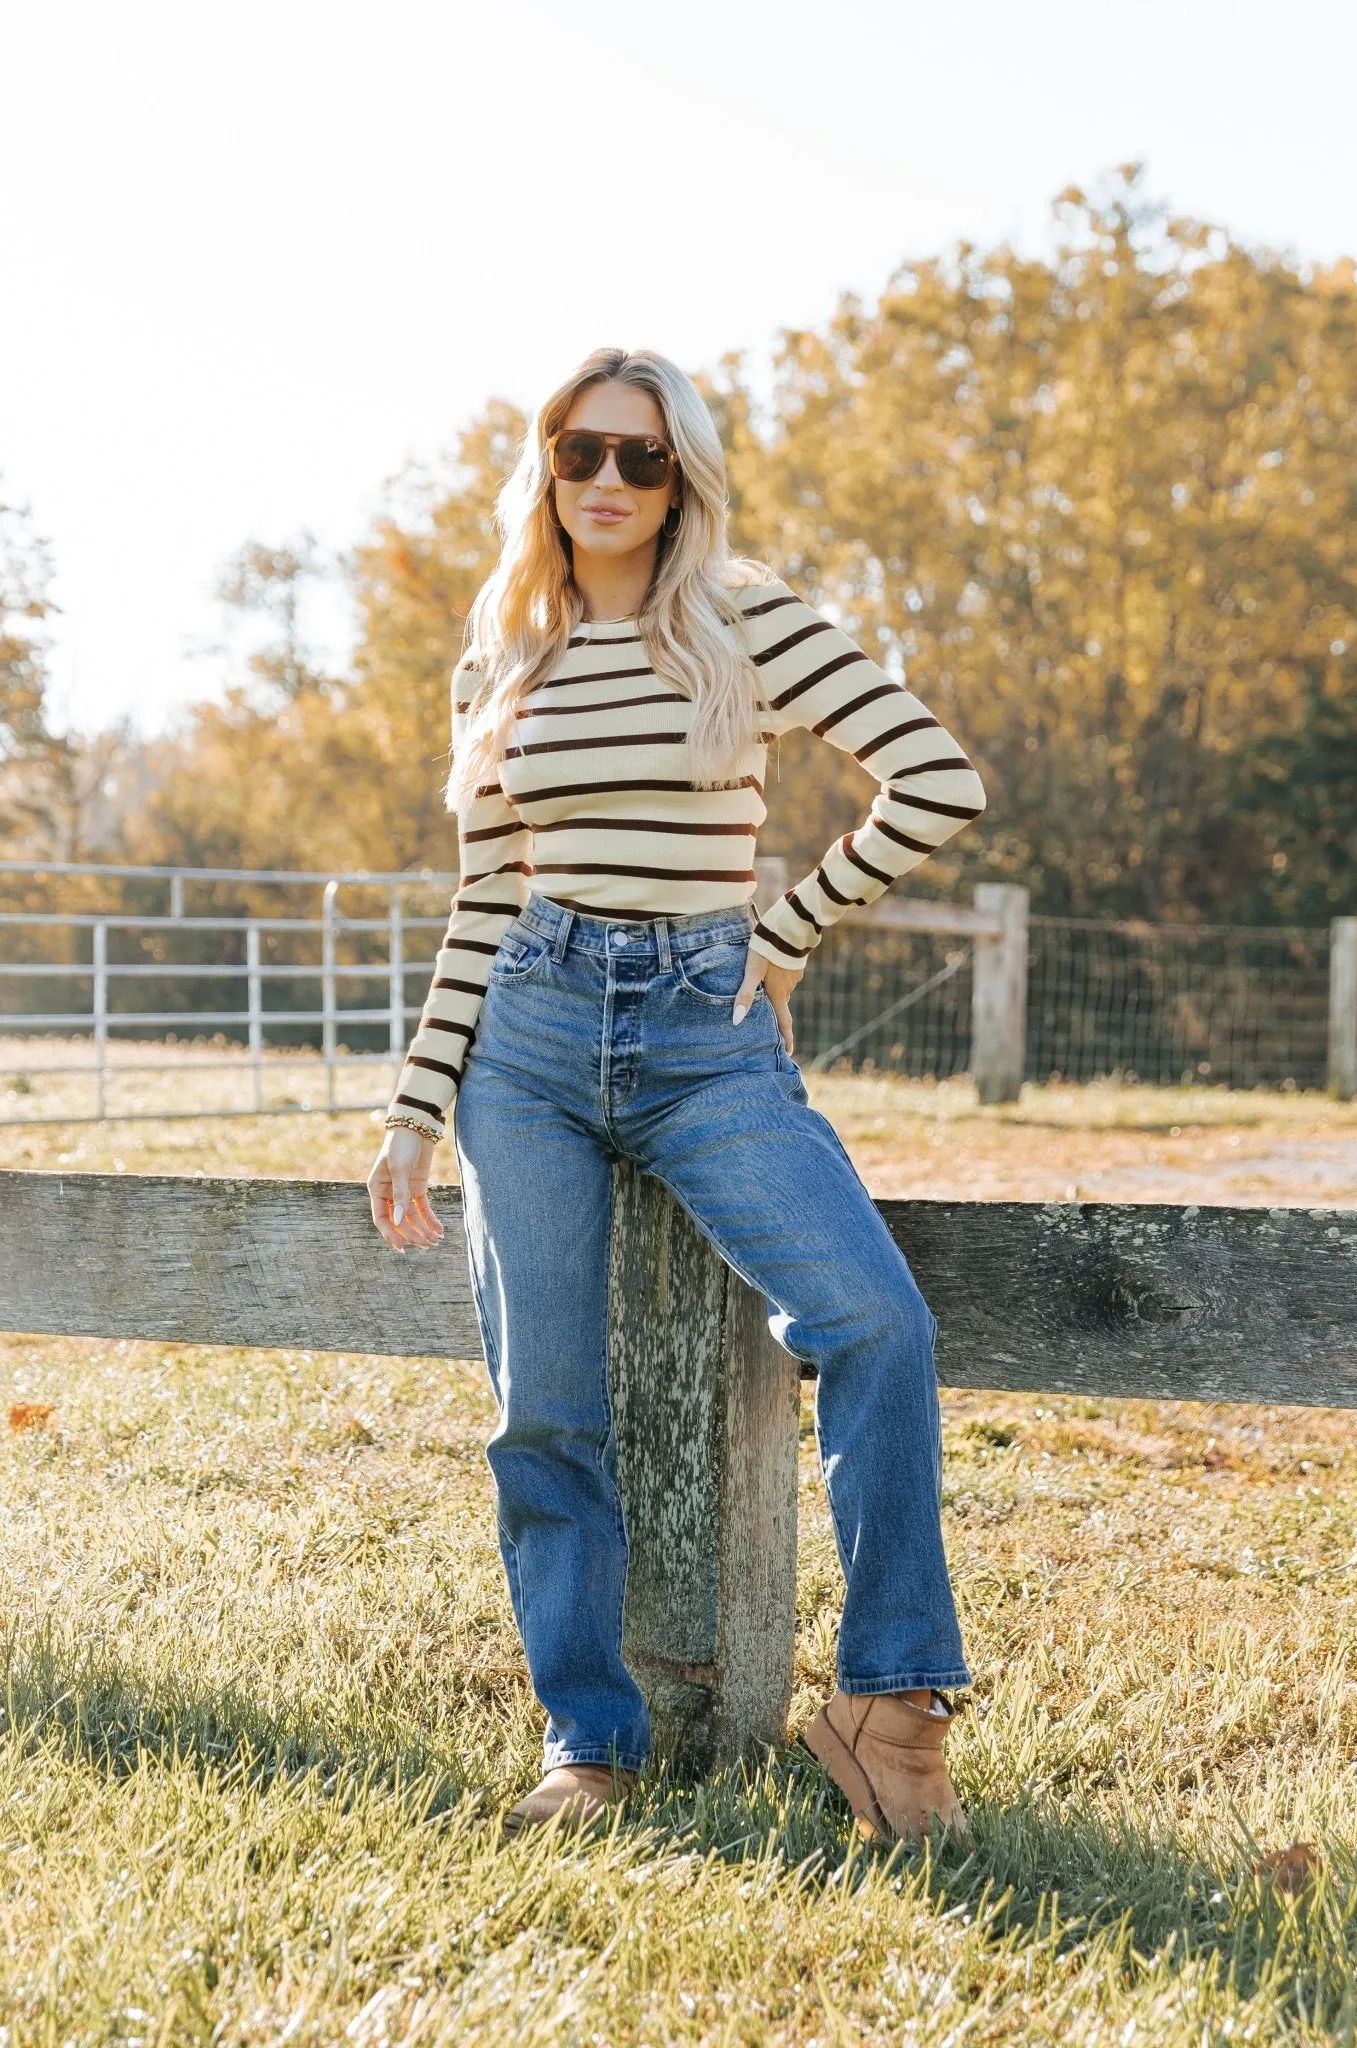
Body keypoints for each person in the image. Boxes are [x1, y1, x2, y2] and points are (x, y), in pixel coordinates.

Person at [366, 346, 986, 1841]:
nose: (608, 483)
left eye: (643, 458)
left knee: (875, 1321)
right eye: (581, 452)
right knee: (545, 1413)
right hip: (530, 1034)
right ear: (546, 468)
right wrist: (415, 1096)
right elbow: (484, 898)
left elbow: (938, 778)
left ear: (684, 476)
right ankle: (590, 1742)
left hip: (708, 1035)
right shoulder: (503, 646)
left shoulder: (744, 621)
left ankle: (892, 1707)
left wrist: (778, 937)